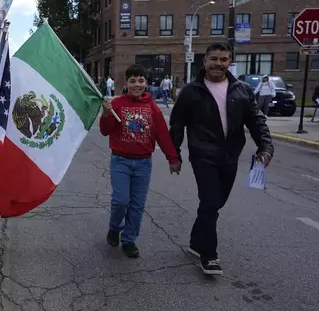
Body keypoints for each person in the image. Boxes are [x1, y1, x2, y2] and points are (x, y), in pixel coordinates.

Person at [169, 42, 274, 276]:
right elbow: (176, 125)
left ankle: (197, 240)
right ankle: (209, 254)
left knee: (216, 203)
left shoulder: (242, 90)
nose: (218, 63)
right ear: (204, 61)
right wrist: (173, 155)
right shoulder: (190, 91)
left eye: (224, 59)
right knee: (209, 201)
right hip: (203, 155)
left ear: (230, 62)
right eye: (213, 59)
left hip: (230, 156)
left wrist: (265, 147)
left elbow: (256, 121)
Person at [100, 64, 181, 258]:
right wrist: (106, 113)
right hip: (120, 161)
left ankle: (129, 239)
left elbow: (162, 134)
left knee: (137, 205)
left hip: (144, 163)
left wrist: (173, 158)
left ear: (146, 83)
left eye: (141, 80)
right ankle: (114, 227)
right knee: (121, 201)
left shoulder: (152, 107)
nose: (137, 84)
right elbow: (105, 130)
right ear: (126, 83)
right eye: (133, 81)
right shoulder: (117, 103)